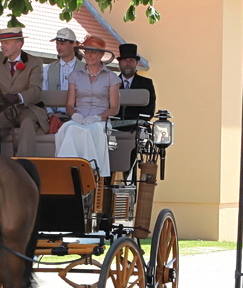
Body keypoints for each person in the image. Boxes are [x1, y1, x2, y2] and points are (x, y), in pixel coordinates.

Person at [54, 35, 119, 178]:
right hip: (79, 118)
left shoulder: (111, 77)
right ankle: (68, 171)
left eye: (94, 52)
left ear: (102, 54)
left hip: (99, 121)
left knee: (91, 130)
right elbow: (70, 104)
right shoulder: (75, 76)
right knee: (69, 129)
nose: (90, 55)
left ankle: (91, 170)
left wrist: (98, 117)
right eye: (87, 52)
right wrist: (74, 115)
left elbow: (115, 107)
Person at [0, 28, 41, 156]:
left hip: (28, 108)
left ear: (19, 44)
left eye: (6, 43)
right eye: (1, 43)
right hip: (6, 111)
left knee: (27, 123)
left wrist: (18, 97)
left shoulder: (34, 62)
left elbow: (36, 90)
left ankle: (24, 164)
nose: (2, 46)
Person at [42, 27, 81, 133]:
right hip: (53, 118)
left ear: (74, 44)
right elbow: (43, 94)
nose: (58, 47)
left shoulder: (85, 69)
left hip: (79, 118)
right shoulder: (48, 69)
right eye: (57, 44)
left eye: (62, 44)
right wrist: (50, 114)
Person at [116, 43, 157, 121]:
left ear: (136, 63)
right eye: (125, 60)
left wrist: (135, 122)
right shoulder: (111, 83)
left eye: (131, 60)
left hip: (138, 127)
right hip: (114, 127)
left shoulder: (146, 83)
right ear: (119, 63)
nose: (128, 64)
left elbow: (149, 110)